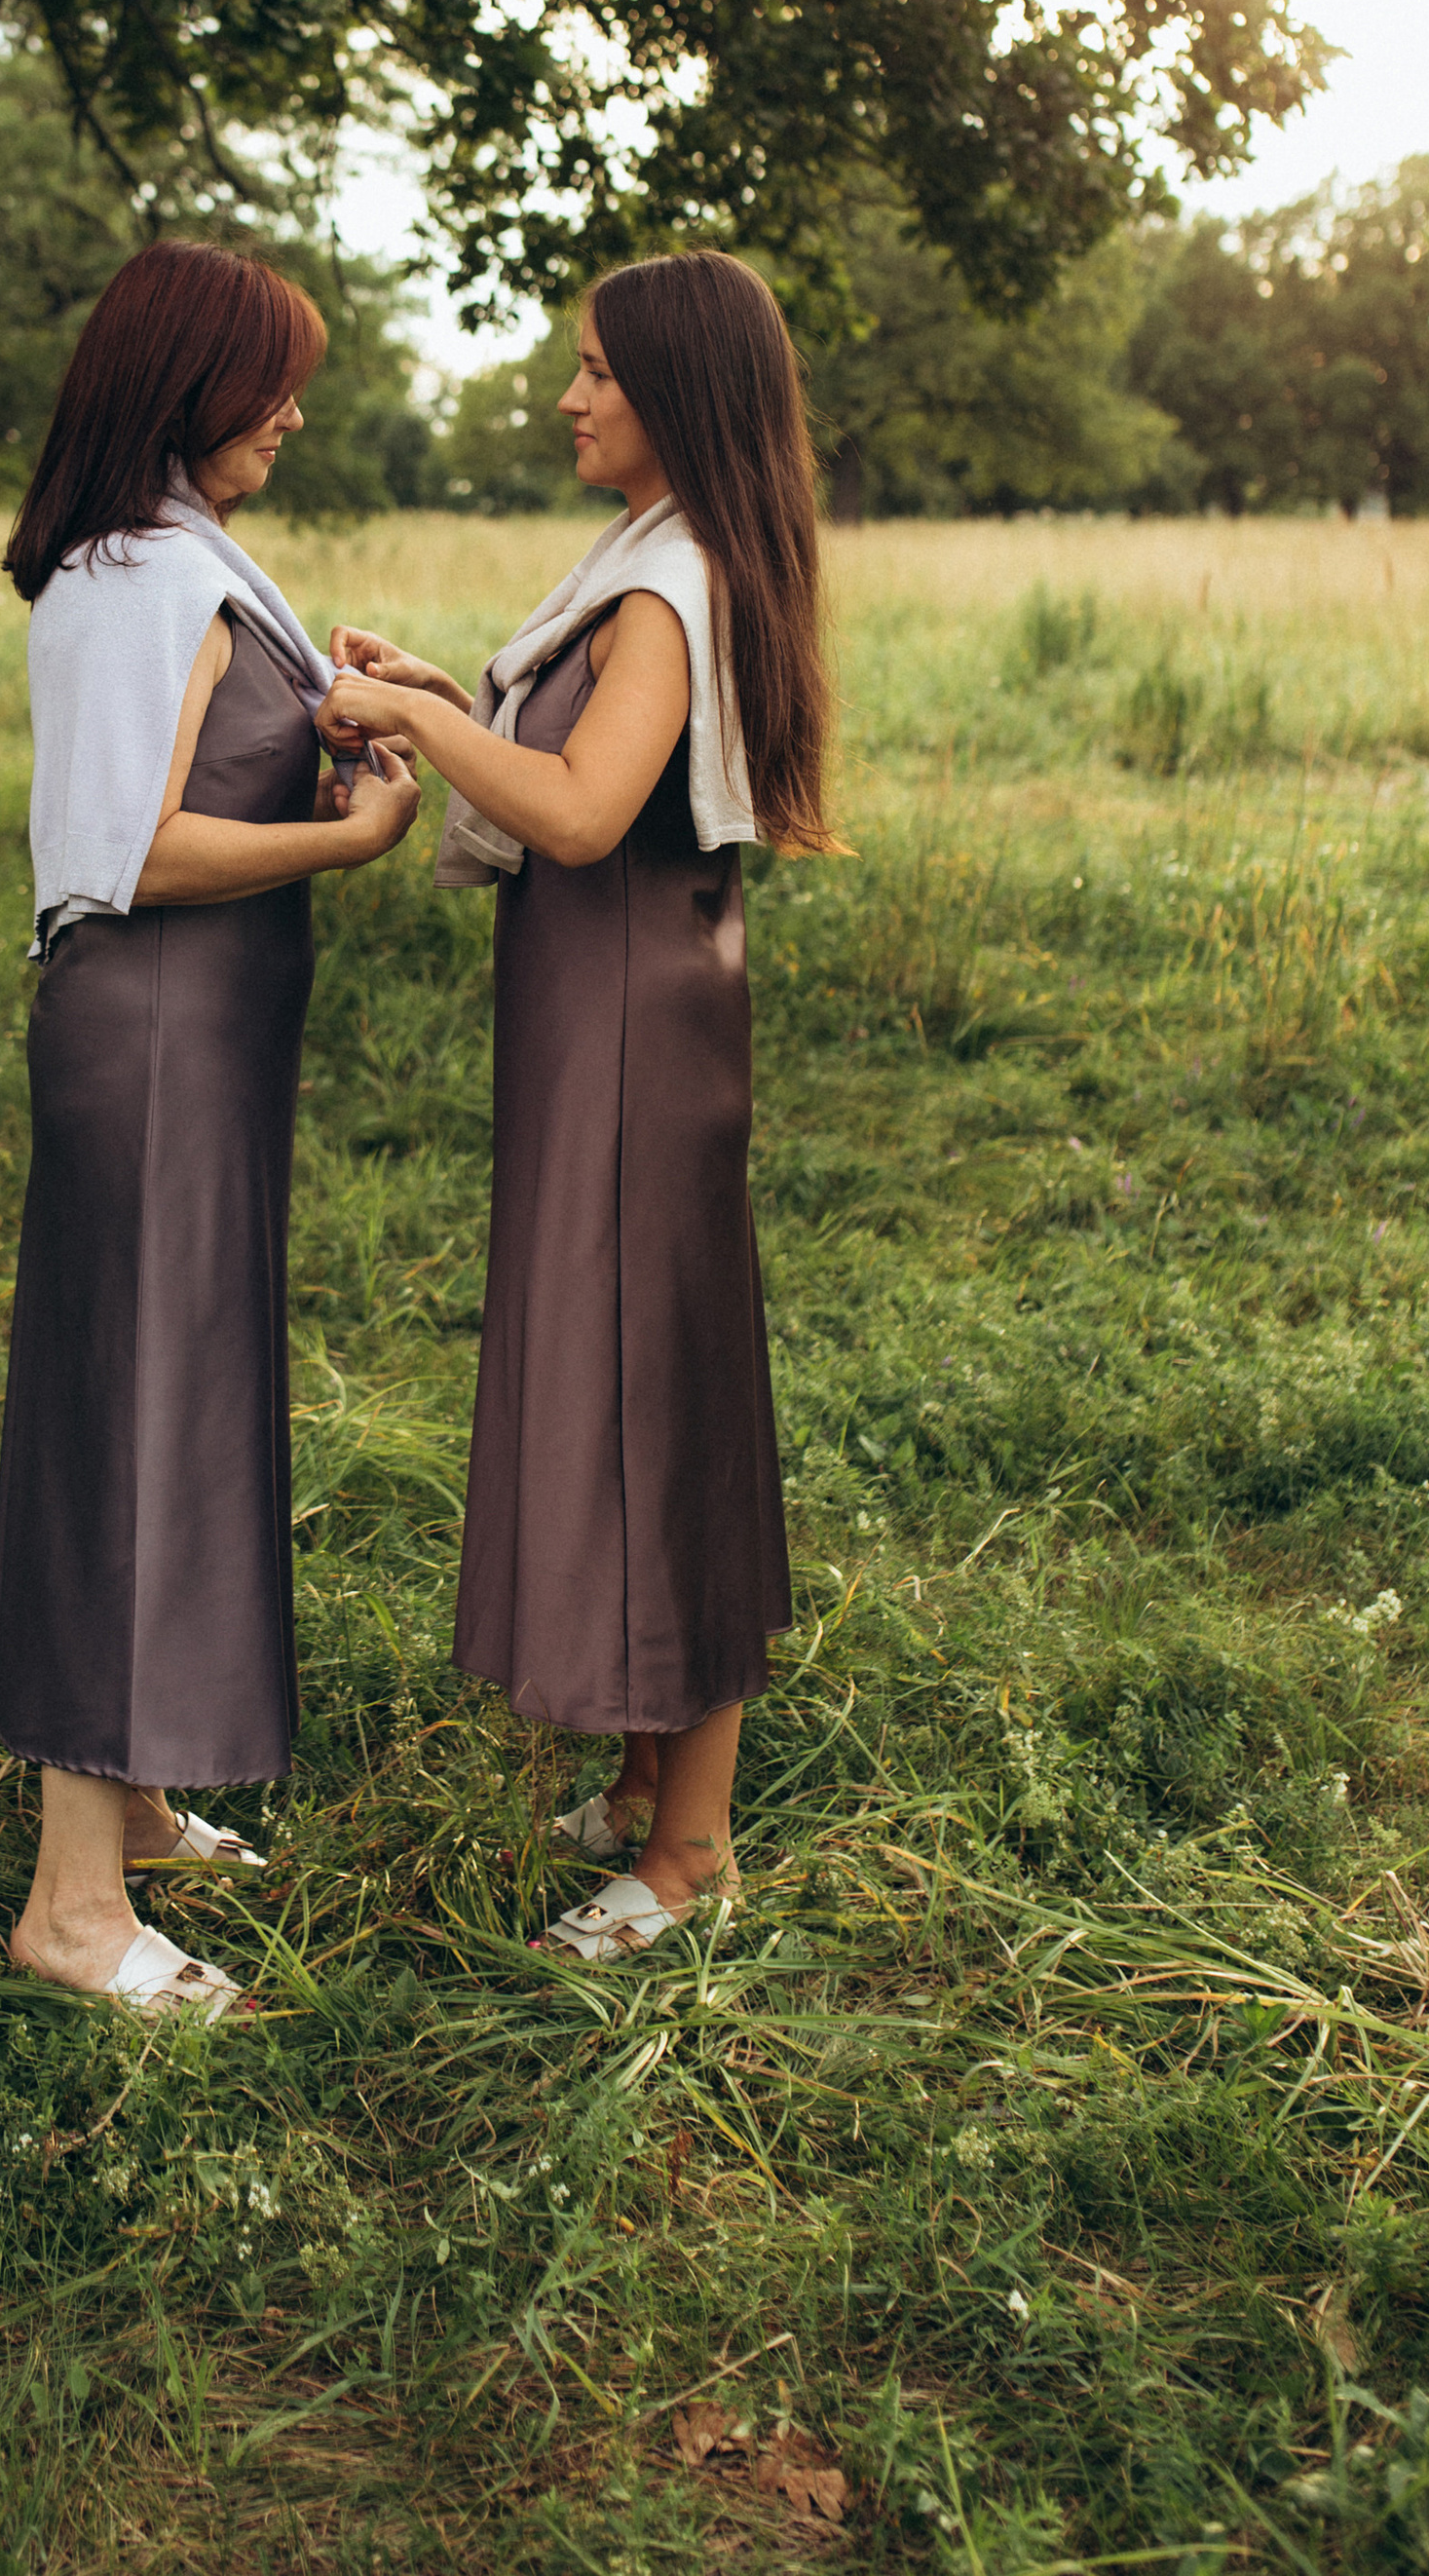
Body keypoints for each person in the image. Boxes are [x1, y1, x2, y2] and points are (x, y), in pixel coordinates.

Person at [321, 249, 841, 1963]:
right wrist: (454, 698)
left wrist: (411, 718)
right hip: (608, 1028)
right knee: (626, 1385)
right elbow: (556, 749)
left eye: (598, 372)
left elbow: (581, 810)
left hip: (631, 1040)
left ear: (675, 393)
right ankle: (638, 1785)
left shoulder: (671, 579)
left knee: (660, 1402)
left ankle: (688, 1859)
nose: (568, 397)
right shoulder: (654, 559)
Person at [0, 240, 421, 2019]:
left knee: (176, 1403)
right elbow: (128, 855)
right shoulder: (128, 579)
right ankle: (70, 1911)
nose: (298, 412)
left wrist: (330, 729)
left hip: (207, 1046)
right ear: (188, 390)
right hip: (149, 1039)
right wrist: (347, 844)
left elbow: (205, 777)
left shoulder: (197, 565)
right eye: (274, 381)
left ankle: (138, 1803)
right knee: (133, 1427)